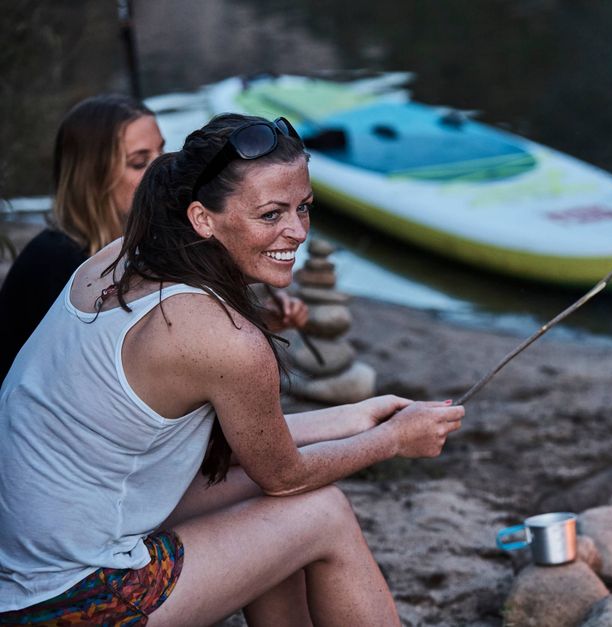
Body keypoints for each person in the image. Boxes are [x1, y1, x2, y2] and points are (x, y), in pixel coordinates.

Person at [0, 113, 464, 625]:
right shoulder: (224, 339)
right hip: (67, 598)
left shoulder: (122, 256)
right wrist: (395, 441)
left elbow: (254, 449)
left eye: (304, 208)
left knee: (270, 518)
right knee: (319, 514)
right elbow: (284, 476)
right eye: (270, 215)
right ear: (202, 218)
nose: (297, 231)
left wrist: (356, 417)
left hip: (28, 560)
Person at [0, 94, 164, 382]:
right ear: (93, 175)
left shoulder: (140, 243)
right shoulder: (57, 261)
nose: (162, 170)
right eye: (139, 162)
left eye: (161, 152)